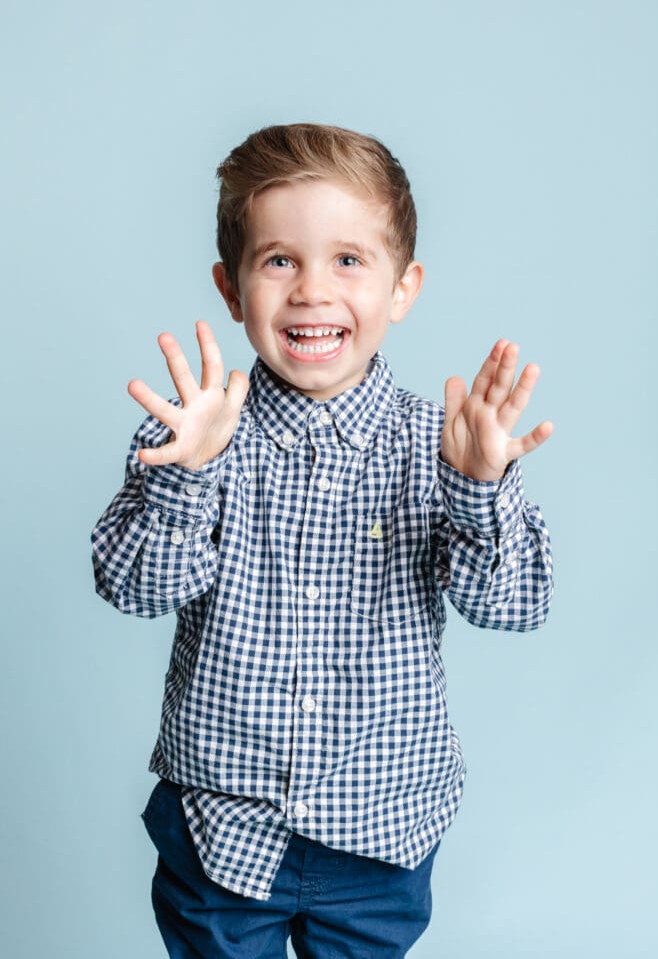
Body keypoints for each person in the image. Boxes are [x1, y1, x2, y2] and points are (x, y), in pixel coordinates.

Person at [91, 122, 554, 958]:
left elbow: (513, 606)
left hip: (381, 833)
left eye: (347, 260)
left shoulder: (440, 444)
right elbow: (132, 588)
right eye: (278, 261)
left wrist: (480, 489)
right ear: (231, 290)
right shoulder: (192, 434)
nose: (310, 290)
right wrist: (185, 477)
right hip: (219, 831)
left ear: (401, 288)